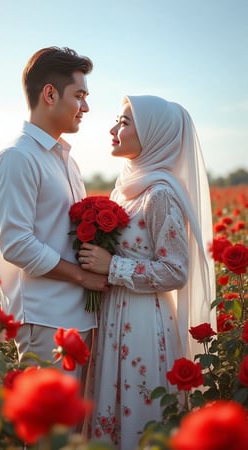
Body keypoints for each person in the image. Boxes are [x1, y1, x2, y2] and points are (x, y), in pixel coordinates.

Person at [78, 95, 216, 450]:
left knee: (138, 417)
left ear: (154, 135)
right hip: (114, 317)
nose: (113, 129)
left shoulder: (159, 195)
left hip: (141, 323)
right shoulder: (127, 191)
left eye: (124, 123)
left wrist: (113, 266)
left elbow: (175, 271)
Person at [0, 47, 109, 378]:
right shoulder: (18, 158)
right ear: (50, 94)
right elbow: (16, 243)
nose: (86, 107)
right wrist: (83, 276)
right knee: (51, 427)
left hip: (77, 316)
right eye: (79, 95)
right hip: (45, 321)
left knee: (75, 428)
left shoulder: (65, 160)